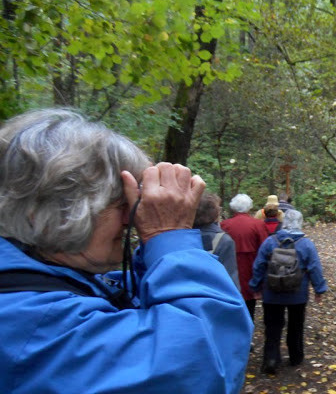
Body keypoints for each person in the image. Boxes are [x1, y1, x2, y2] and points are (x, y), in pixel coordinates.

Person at [0, 109, 252, 393]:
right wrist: (168, 236)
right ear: (48, 210)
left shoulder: (39, 282)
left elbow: (125, 295)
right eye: (122, 204)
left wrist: (157, 247)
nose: (132, 218)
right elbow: (206, 363)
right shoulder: (34, 324)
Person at [249, 209, 328, 375]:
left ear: (283, 223)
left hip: (272, 293)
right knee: (296, 326)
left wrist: (255, 287)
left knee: (272, 326)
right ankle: (295, 356)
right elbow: (314, 268)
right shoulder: (306, 244)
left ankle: (271, 359)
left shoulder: (270, 242)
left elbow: (258, 266)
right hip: (297, 295)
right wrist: (319, 289)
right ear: (300, 223)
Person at [221, 193, 270, 320]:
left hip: (229, 269)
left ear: (233, 208)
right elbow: (265, 249)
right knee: (249, 304)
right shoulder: (258, 225)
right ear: (249, 208)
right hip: (251, 268)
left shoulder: (224, 225)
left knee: (231, 299)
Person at [194, 191, 241, 290]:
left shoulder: (181, 236)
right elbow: (231, 279)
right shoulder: (223, 241)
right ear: (214, 213)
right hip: (214, 295)